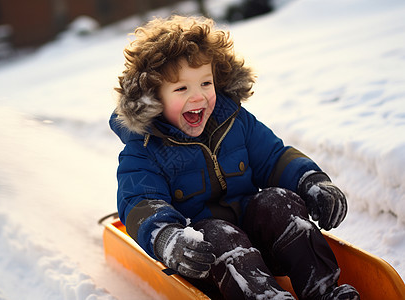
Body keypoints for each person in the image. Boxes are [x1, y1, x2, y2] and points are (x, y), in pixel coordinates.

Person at [109, 15, 360, 300]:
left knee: (277, 201)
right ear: (153, 97)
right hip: (204, 258)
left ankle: (324, 292)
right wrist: (167, 238)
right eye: (181, 88)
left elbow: (274, 158)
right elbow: (140, 203)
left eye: (206, 83)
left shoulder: (234, 121)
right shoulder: (144, 148)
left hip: (260, 239)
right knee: (216, 233)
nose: (198, 97)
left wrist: (311, 180)